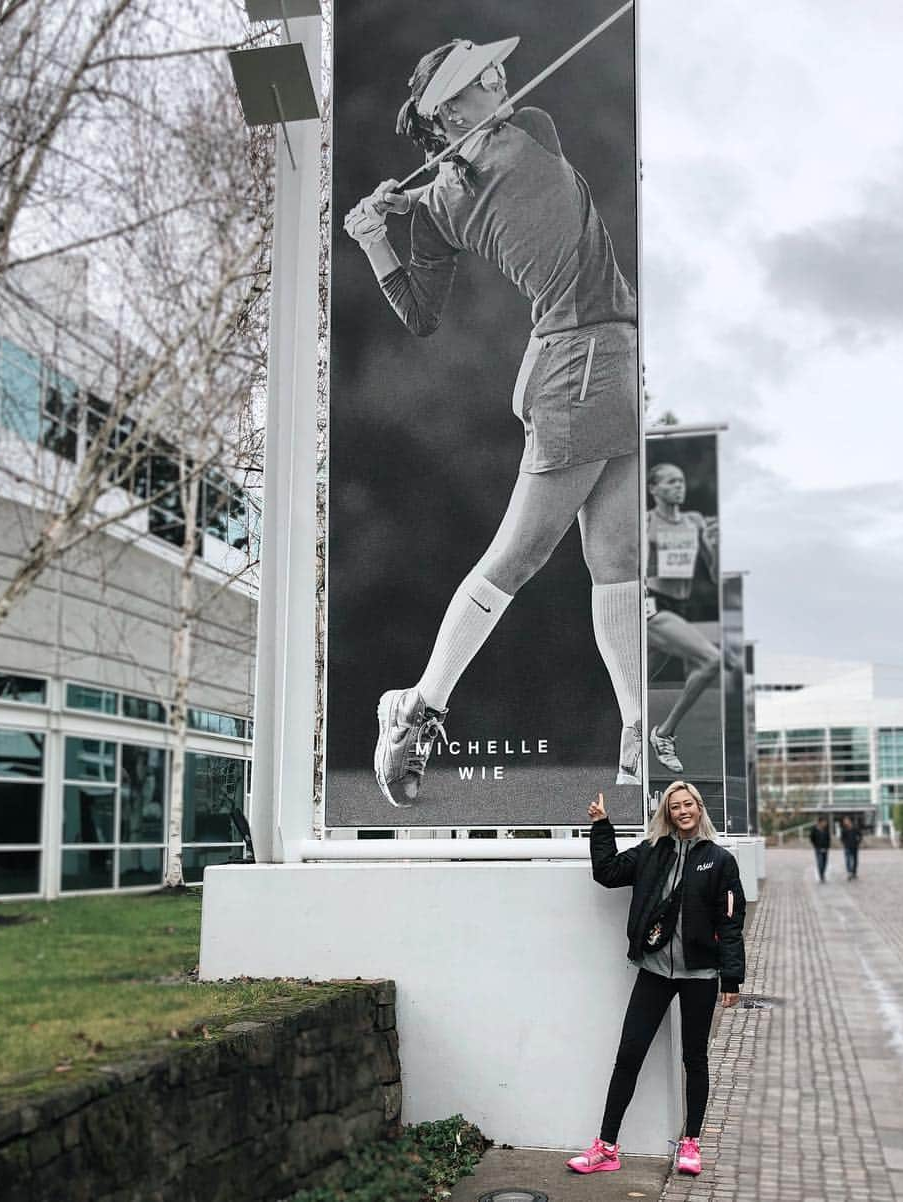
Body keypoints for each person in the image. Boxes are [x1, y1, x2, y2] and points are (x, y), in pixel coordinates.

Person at [344, 36, 641, 807]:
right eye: (480, 78)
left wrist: (422, 193)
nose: (500, 77)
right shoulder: (439, 210)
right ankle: (417, 707)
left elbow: (512, 154)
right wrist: (382, 236)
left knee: (619, 564)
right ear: (445, 108)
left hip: (613, 352)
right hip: (575, 362)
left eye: (494, 70)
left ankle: (640, 741)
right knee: (521, 555)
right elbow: (419, 316)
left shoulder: (531, 126)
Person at [566, 781, 745, 1177]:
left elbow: (731, 923)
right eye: (674, 805)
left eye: (688, 804)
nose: (682, 810)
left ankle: (691, 1144)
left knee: (694, 1059)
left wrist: (731, 979)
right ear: (666, 812)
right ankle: (606, 1148)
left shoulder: (719, 860)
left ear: (699, 808)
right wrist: (601, 826)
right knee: (629, 1055)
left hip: (700, 975)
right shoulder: (652, 852)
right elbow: (608, 872)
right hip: (654, 972)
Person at [645, 462, 723, 774]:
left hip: (681, 607)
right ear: (653, 488)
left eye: (682, 481)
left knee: (632, 691)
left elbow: (715, 576)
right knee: (711, 660)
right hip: (653, 606)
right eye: (671, 482)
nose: (680, 486)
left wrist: (716, 548)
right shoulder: (645, 522)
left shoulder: (695, 522)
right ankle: (664, 735)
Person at [809, 815, 830, 882]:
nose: (825, 823)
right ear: (820, 822)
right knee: (820, 862)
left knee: (824, 863)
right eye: (824, 822)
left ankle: (823, 874)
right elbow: (812, 838)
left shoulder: (826, 829)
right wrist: (815, 845)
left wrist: (827, 846)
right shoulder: (814, 829)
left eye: (826, 822)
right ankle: (821, 875)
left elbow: (828, 838)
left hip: (825, 849)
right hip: (818, 848)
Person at [841, 815, 862, 880]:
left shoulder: (855, 828)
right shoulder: (844, 829)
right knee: (848, 860)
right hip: (847, 847)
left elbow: (860, 835)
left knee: (855, 860)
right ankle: (849, 872)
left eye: (846, 820)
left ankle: (854, 872)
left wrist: (858, 842)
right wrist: (845, 843)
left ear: (849, 821)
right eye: (844, 821)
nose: (845, 822)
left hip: (855, 846)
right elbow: (842, 838)